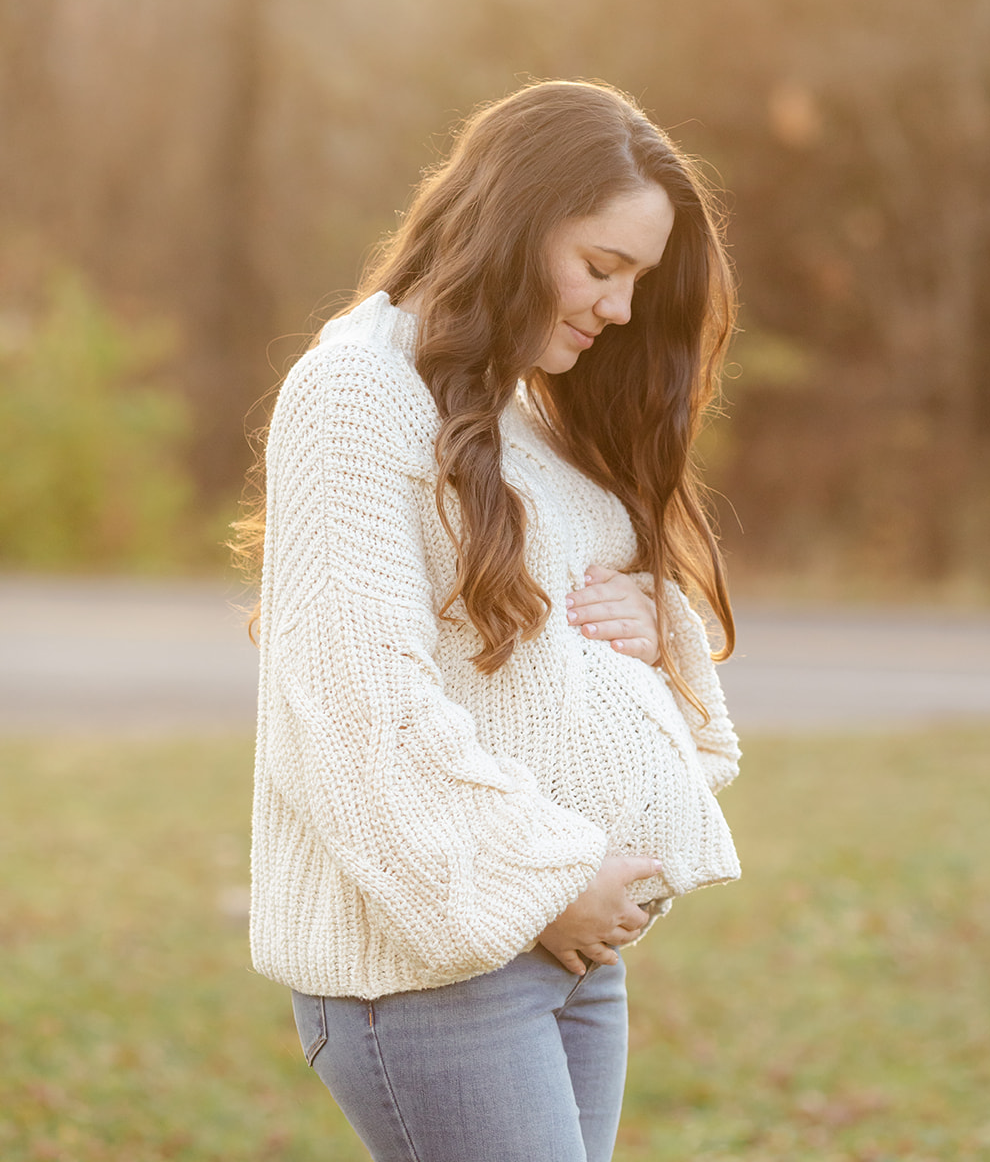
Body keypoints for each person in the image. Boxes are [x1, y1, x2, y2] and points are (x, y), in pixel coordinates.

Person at [243, 80, 742, 1162]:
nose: (617, 309)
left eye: (636, 282)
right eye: (601, 267)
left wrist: (664, 622)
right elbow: (356, 709)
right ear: (514, 219)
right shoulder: (355, 393)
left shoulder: (521, 412)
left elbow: (562, 651)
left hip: (558, 956)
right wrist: (556, 878)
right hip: (434, 969)